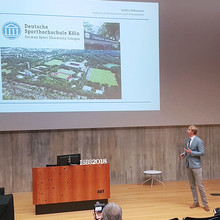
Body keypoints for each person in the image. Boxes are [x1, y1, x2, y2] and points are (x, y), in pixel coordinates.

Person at [180, 125, 210, 212]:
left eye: (189, 129)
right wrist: (184, 154)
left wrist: (191, 152)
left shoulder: (199, 141)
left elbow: (202, 153)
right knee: (192, 185)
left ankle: (205, 204)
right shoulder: (187, 140)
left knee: (200, 186)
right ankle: (196, 202)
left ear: (193, 131)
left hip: (196, 166)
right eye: (188, 129)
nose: (187, 130)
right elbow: (188, 151)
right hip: (188, 165)